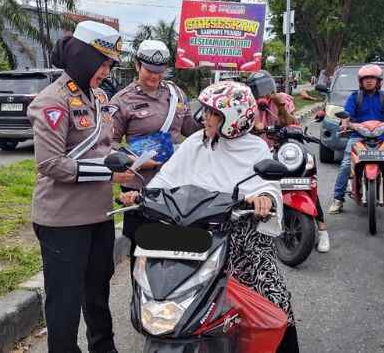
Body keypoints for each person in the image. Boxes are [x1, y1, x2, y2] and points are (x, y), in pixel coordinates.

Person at [120, 81, 300, 352]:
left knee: (275, 299)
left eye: (213, 113)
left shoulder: (255, 149)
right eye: (205, 111)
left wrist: (262, 200)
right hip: (195, 235)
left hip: (240, 239)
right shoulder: (195, 143)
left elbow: (267, 187)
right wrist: (142, 195)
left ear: (235, 118)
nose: (205, 117)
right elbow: (166, 179)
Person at [27, 20, 134, 353]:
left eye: (110, 65)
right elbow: (50, 164)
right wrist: (108, 174)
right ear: (84, 58)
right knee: (65, 303)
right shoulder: (52, 101)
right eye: (101, 64)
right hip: (62, 221)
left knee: (97, 293)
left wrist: (127, 163)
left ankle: (104, 348)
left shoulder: (99, 96)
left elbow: (103, 147)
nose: (106, 71)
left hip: (98, 215)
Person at [109, 39, 200, 273]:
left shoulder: (176, 94)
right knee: (143, 255)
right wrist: (133, 161)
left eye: (160, 72)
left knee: (175, 254)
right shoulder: (122, 100)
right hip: (140, 188)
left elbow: (190, 128)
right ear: (137, 65)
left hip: (175, 186)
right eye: (149, 71)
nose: (155, 77)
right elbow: (107, 143)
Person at [248, 70, 330, 253]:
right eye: (257, 90)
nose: (262, 93)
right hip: (261, 152)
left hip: (287, 149)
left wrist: (280, 106)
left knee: (307, 180)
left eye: (265, 88)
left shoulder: (282, 99)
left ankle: (322, 229)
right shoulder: (249, 105)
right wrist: (254, 127)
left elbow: (291, 123)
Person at [328, 64, 384, 214]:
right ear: (361, 81)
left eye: (373, 78)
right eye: (366, 79)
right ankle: (338, 199)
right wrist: (345, 124)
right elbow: (347, 114)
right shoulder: (354, 97)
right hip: (358, 136)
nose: (369, 81)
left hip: (382, 136)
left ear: (379, 81)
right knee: (345, 165)